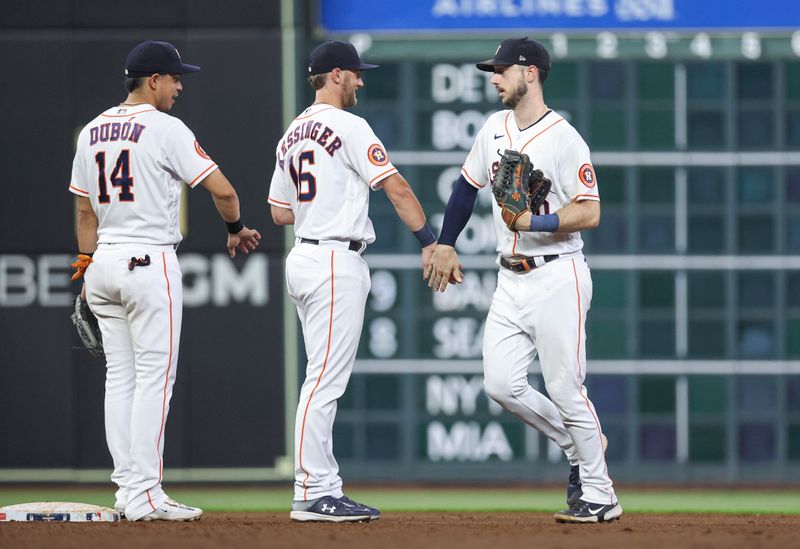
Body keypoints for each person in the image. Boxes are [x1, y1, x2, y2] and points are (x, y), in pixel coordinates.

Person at [424, 37, 621, 524]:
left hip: (558, 274)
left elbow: (591, 211)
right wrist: (446, 241)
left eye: (501, 70)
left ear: (529, 73)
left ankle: (601, 494)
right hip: (509, 280)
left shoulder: (564, 137)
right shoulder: (492, 129)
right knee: (501, 385)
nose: (493, 78)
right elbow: (466, 188)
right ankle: (582, 446)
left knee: (565, 387)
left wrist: (537, 223)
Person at [68, 40, 261, 522]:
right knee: (155, 379)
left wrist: (86, 260)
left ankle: (126, 489)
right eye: (175, 78)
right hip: (148, 261)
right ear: (152, 80)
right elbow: (223, 189)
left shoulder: (92, 130)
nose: (179, 86)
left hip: (103, 264)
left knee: (120, 380)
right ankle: (147, 494)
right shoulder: (164, 127)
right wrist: (236, 229)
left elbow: (82, 206)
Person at [268, 40, 437, 523]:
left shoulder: (293, 132)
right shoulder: (350, 125)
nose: (361, 81)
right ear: (336, 74)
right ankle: (312, 491)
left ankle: (320, 485)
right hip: (335, 261)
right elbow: (396, 187)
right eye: (357, 74)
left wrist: (321, 202)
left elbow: (280, 211)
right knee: (324, 381)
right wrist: (428, 240)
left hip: (304, 256)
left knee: (319, 378)